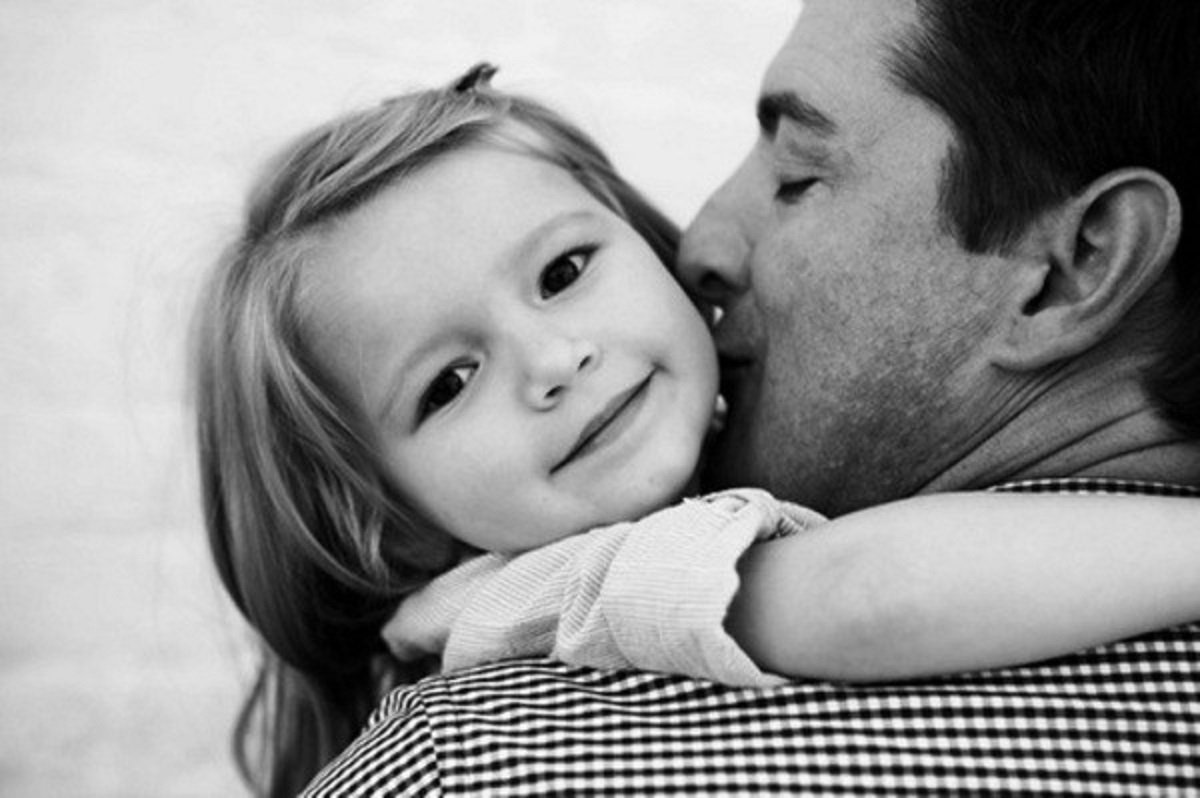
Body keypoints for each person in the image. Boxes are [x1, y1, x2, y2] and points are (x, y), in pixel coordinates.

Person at [192, 56, 1198, 798]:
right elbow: (869, 595)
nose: (554, 360)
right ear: (394, 527)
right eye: (449, 382)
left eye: (564, 272)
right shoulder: (575, 587)